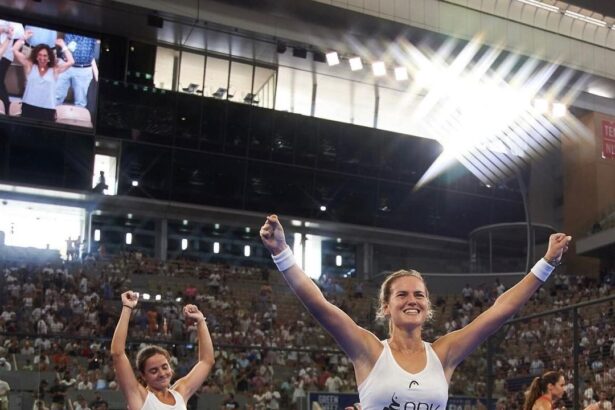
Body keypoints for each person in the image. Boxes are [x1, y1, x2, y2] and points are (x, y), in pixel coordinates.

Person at [259, 215, 572, 409]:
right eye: (402, 295)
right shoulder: (369, 351)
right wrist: (281, 253)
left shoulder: (444, 354)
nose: (412, 300)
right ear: (386, 307)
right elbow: (320, 305)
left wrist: (546, 263)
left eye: (419, 295)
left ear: (428, 306)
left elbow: (501, 310)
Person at [111, 291, 214, 410]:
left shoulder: (180, 392)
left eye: (165, 367)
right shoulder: (139, 397)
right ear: (143, 376)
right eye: (153, 371)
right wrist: (127, 307)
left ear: (171, 368)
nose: (162, 374)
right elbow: (117, 354)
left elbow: (207, 361)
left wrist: (200, 321)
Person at [12, 30, 73, 121]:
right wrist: (23, 38)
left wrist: (64, 46)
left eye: (45, 56)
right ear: (36, 56)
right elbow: (14, 50)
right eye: (39, 55)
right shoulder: (29, 65)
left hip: (48, 109)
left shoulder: (55, 69)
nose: (42, 58)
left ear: (49, 57)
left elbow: (71, 62)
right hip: (29, 106)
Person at [523, 371, 598, 410]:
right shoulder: (543, 403)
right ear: (550, 386)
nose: (564, 389)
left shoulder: (544, 402)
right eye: (561, 385)